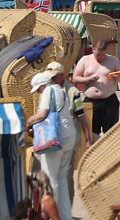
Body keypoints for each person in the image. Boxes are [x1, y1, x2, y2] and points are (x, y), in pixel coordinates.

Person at [27, 67, 78, 220]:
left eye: (38, 89)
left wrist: (29, 122)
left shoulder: (48, 91)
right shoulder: (61, 90)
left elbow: (43, 114)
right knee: (62, 178)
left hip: (55, 139)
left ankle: (51, 215)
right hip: (69, 136)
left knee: (50, 179)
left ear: (43, 85)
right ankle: (65, 216)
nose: (38, 93)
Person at [72, 39, 120, 144]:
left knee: (111, 132)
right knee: (91, 132)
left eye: (102, 55)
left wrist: (117, 77)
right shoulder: (85, 60)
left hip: (109, 100)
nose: (100, 57)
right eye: (97, 55)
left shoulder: (113, 60)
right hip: (90, 101)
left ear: (106, 51)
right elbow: (75, 78)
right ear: (93, 50)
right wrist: (88, 79)